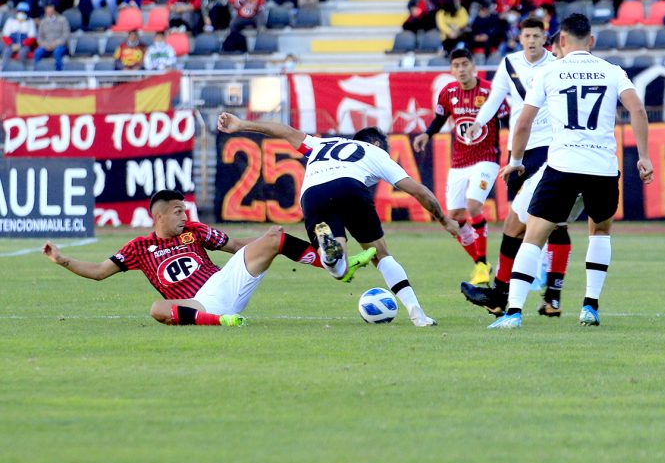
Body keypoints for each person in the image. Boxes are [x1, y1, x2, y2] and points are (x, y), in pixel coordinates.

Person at [488, 13, 653, 329]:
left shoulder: (549, 72)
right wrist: (644, 156)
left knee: (534, 236)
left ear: (561, 40)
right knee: (600, 232)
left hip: (563, 165)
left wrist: (517, 160)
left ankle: (514, 313)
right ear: (591, 41)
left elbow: (522, 123)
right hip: (602, 167)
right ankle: (590, 306)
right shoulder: (612, 71)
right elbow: (637, 109)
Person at [217, 116, 460, 327]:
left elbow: (285, 131)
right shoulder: (376, 152)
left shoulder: (321, 144)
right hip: (349, 186)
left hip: (313, 194)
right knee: (380, 254)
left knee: (338, 269)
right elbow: (419, 191)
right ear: (376, 143)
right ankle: (417, 314)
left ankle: (330, 252)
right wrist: (445, 221)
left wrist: (242, 124)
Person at [42, 189, 335, 327]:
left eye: (185, 209)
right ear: (159, 216)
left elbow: (234, 246)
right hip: (198, 304)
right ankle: (222, 321)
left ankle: (333, 264)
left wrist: (264, 240)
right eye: (178, 211)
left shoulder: (194, 230)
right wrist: (61, 260)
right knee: (157, 308)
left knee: (275, 238)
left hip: (225, 282)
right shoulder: (139, 247)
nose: (185, 215)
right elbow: (98, 271)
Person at [461, 18, 574, 316]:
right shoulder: (509, 63)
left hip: (550, 147)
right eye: (527, 36)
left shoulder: (556, 63)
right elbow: (495, 98)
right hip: (520, 150)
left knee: (546, 222)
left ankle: (515, 294)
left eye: (537, 35)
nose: (532, 40)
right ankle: (541, 295)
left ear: (544, 38)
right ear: (520, 38)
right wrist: (478, 122)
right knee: (527, 222)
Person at [413, 48, 507, 286]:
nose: (461, 69)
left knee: (473, 206)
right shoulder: (448, 92)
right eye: (456, 65)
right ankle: (480, 264)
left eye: (465, 64)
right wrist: (426, 134)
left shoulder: (489, 92)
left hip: (486, 158)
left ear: (473, 66)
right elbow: (439, 119)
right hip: (459, 162)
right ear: (451, 69)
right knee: (454, 217)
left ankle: (482, 264)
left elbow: (509, 120)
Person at [33, 4, 70, 71]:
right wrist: (45, 45)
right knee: (37, 52)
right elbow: (39, 37)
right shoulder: (43, 22)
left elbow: (66, 35)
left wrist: (54, 44)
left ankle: (59, 73)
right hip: (46, 46)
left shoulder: (63, 20)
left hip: (60, 45)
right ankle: (36, 72)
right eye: (48, 12)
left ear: (54, 11)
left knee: (57, 52)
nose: (49, 13)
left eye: (51, 11)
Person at [1, 3, 36, 70]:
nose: (21, 13)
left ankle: (22, 71)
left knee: (22, 53)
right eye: (20, 11)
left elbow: (32, 37)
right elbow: (5, 36)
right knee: (6, 52)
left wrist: (21, 45)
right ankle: (3, 71)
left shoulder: (30, 22)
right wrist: (12, 45)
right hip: (11, 45)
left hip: (24, 45)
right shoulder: (10, 21)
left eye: (24, 12)